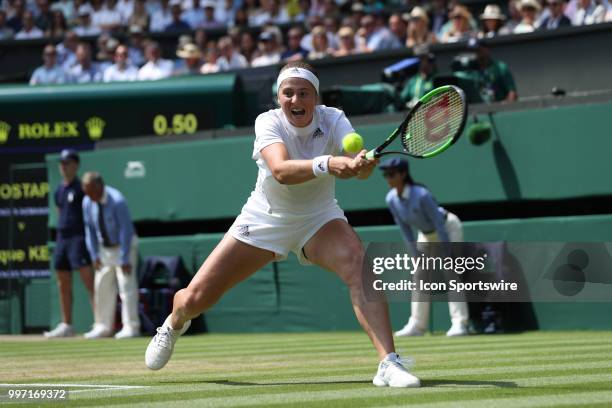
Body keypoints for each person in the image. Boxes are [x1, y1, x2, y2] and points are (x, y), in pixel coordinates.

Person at [144, 61, 421, 388]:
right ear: (279, 98)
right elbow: (281, 171)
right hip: (265, 218)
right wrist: (330, 163)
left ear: (315, 98)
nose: (294, 99)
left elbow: (358, 169)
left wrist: (360, 166)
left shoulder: (334, 120)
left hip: (319, 218)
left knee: (360, 266)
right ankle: (172, 325)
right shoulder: (268, 122)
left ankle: (388, 362)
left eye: (303, 93)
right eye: (287, 93)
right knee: (194, 300)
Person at [379, 157, 469, 338]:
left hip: (447, 228)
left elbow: (439, 224)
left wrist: (446, 251)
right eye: (385, 174)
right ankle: (417, 325)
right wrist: (414, 254)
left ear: (403, 174)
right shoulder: (391, 199)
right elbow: (405, 229)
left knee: (451, 272)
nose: (388, 178)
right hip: (425, 234)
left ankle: (460, 324)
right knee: (419, 274)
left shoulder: (421, 194)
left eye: (392, 174)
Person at [82, 172, 140, 339]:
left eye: (90, 190)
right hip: (104, 249)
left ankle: (131, 327)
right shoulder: (87, 202)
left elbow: (125, 230)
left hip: (124, 246)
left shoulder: (117, 200)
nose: (87, 195)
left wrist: (124, 257)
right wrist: (94, 255)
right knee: (101, 286)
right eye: (85, 191)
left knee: (126, 286)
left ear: (99, 186)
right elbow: (90, 230)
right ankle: (103, 326)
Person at [44, 149, 95, 338]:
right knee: (62, 283)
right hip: (62, 240)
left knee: (88, 281)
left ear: (76, 165)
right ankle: (67, 324)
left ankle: (100, 322)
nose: (63, 167)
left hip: (79, 238)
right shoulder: (59, 190)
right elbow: (59, 212)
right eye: (61, 163)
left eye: (67, 163)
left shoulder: (82, 188)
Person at [467, 38, 518, 103]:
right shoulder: (467, 71)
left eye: (478, 50)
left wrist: (505, 106)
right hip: (478, 110)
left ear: (486, 49)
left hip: (499, 108)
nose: (475, 53)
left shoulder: (500, 67)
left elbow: (512, 92)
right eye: (472, 51)